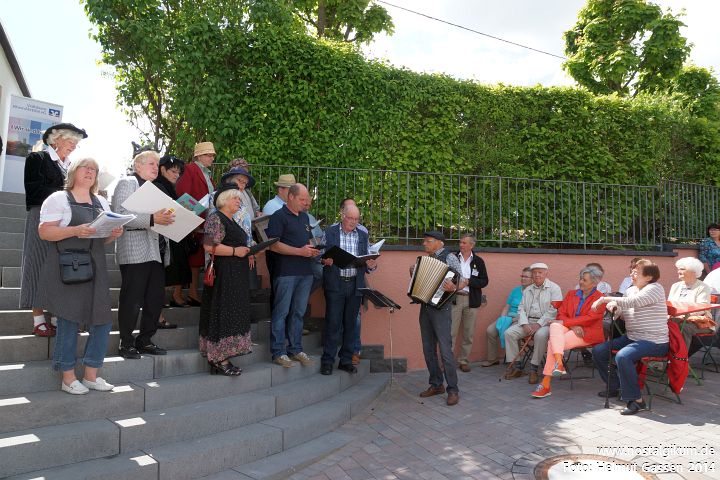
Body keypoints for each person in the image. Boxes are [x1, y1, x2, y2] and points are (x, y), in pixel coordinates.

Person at [38, 158, 123, 394]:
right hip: (69, 266)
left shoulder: (101, 201)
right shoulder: (58, 198)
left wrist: (114, 234)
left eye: (94, 169)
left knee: (102, 320)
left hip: (96, 265)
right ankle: (67, 378)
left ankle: (91, 376)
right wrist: (75, 230)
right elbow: (44, 232)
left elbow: (102, 239)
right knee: (68, 318)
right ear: (74, 172)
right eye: (85, 167)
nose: (90, 172)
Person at [22, 123, 87, 337]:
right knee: (38, 264)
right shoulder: (37, 158)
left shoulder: (71, 167)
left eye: (76, 143)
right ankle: (38, 320)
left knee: (60, 268)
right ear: (56, 139)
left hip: (64, 221)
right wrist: (66, 193)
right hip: (41, 216)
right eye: (71, 141)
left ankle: (59, 317)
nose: (74, 146)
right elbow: (34, 191)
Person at [112, 150, 175, 359]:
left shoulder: (155, 188)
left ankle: (145, 340)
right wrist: (153, 219)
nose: (156, 167)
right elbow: (120, 215)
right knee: (132, 298)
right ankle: (126, 342)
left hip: (156, 250)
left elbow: (159, 219)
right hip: (135, 250)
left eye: (157, 164)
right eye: (151, 163)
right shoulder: (128, 182)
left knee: (155, 299)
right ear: (137, 166)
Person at [592, 262, 669, 415]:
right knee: (599, 350)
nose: (631, 275)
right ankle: (615, 386)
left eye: (636, 273)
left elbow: (634, 302)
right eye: (632, 272)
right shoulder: (630, 290)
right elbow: (623, 309)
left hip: (655, 341)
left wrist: (603, 299)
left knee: (623, 356)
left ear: (649, 277)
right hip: (632, 337)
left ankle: (637, 401)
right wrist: (615, 309)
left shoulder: (655, 288)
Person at [199, 184, 253, 375]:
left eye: (239, 198)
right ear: (224, 200)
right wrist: (235, 251)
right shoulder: (216, 217)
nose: (239, 201)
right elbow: (208, 246)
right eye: (235, 198)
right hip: (224, 273)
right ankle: (220, 359)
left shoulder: (232, 220)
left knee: (230, 313)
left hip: (235, 274)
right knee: (222, 312)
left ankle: (222, 357)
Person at [266, 183, 319, 367]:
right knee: (281, 312)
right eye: (302, 199)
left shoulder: (304, 217)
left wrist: (314, 250)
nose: (305, 203)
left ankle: (295, 349)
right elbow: (273, 245)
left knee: (298, 313)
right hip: (286, 272)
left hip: (305, 272)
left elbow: (307, 241)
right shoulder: (278, 216)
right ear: (290, 197)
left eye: (307, 200)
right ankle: (278, 352)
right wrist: (300, 252)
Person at [319, 204, 376, 375]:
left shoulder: (362, 235)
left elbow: (367, 258)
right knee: (333, 323)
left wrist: (371, 265)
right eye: (350, 218)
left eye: (357, 219)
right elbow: (319, 255)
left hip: (355, 284)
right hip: (335, 283)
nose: (353, 222)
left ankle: (345, 360)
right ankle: (327, 361)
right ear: (342, 215)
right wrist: (324, 260)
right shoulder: (330, 232)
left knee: (351, 325)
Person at [531, 266, 604, 398]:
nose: (581, 282)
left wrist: (570, 324)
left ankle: (546, 383)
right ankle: (559, 363)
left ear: (594, 283)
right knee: (555, 326)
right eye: (580, 278)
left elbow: (590, 318)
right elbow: (561, 313)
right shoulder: (572, 294)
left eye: (585, 280)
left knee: (553, 343)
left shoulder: (600, 298)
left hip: (587, 332)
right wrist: (573, 325)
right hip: (572, 328)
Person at [413, 231, 462, 406]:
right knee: (428, 348)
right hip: (425, 307)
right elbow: (420, 281)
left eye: (428, 241)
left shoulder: (450, 257)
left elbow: (462, 280)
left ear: (440, 243)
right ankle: (436, 384)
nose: (424, 244)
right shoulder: (425, 260)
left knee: (445, 350)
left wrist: (453, 287)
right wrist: (413, 273)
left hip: (441, 308)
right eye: (424, 241)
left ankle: (453, 389)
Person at [503, 262, 562, 383]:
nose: (537, 275)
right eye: (534, 273)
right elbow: (521, 308)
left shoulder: (554, 288)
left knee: (540, 335)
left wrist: (538, 324)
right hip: (528, 321)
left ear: (546, 273)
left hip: (545, 323)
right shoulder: (528, 289)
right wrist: (524, 323)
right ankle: (517, 367)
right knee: (509, 333)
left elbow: (554, 310)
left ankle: (534, 369)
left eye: (540, 272)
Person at [176, 142, 216, 305]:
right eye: (208, 155)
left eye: (212, 155)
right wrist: (190, 219)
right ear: (198, 156)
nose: (212, 158)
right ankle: (178, 293)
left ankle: (192, 292)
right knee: (186, 258)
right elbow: (183, 194)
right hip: (192, 221)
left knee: (196, 259)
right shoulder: (190, 169)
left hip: (203, 221)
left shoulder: (208, 175)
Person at [154, 154, 191, 319]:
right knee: (166, 268)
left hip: (171, 233)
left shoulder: (167, 186)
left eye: (178, 172)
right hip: (163, 236)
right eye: (173, 171)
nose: (177, 175)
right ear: (162, 169)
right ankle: (161, 300)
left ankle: (171, 296)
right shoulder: (159, 185)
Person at [450, 234, 488, 372]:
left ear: (472, 245)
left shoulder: (478, 261)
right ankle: (447, 362)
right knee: (451, 332)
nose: (461, 245)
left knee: (468, 333)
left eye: (464, 243)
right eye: (460, 242)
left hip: (471, 300)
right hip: (454, 298)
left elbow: (484, 281)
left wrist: (468, 281)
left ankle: (463, 360)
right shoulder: (452, 258)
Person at [481, 267, 532, 367]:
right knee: (490, 330)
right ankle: (493, 359)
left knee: (511, 332)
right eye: (522, 276)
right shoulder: (516, 290)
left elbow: (529, 313)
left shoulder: (533, 293)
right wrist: (502, 319)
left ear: (532, 279)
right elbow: (507, 306)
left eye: (526, 277)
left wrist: (514, 320)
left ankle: (514, 362)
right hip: (509, 317)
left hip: (521, 319)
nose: (523, 278)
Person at [667, 257, 713, 355]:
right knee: (662, 324)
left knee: (684, 327)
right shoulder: (675, 286)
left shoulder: (703, 287)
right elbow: (670, 305)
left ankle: (681, 358)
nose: (678, 271)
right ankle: (664, 355)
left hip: (700, 321)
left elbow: (702, 308)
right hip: (677, 318)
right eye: (678, 269)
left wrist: (682, 315)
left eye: (682, 269)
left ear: (693, 271)